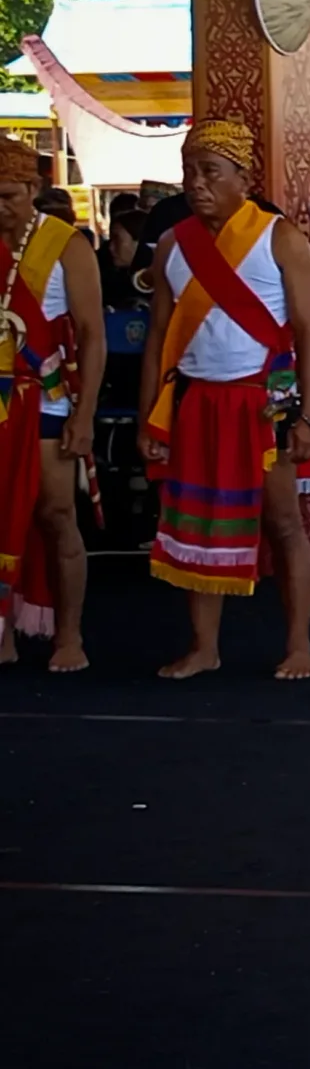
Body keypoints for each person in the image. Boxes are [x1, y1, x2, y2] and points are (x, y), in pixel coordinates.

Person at [136, 120, 310, 681]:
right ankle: (205, 647)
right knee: (196, 525)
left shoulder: (280, 239)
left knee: (285, 524)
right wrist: (151, 415)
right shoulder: (173, 245)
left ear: (243, 178)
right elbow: (158, 342)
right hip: (196, 404)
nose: (196, 183)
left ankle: (298, 644)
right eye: (189, 171)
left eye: (210, 171)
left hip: (263, 406)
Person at [0, 135, 103, 674]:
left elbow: (92, 336)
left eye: (8, 196)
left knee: (56, 513)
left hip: (45, 400)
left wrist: (84, 419)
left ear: (34, 189)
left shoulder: (65, 244)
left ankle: (69, 635)